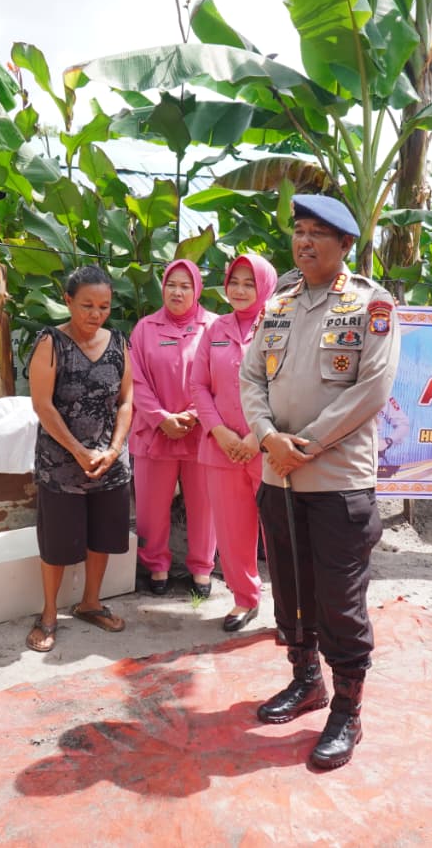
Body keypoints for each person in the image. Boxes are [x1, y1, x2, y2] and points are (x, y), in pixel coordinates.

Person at [240, 194, 400, 770]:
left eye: (317, 233)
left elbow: (372, 390)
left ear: (346, 245)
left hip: (336, 482)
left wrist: (301, 445)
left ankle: (348, 711)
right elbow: (250, 375)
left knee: (340, 600)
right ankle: (307, 682)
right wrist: (266, 436)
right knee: (290, 588)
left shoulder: (372, 306)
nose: (304, 242)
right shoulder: (277, 304)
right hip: (278, 478)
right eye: (298, 231)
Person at [27, 265, 134, 652]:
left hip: (109, 463)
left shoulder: (120, 342)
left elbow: (126, 401)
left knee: (102, 538)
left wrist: (115, 449)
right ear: (68, 301)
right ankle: (50, 613)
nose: (96, 314)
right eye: (87, 305)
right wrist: (78, 450)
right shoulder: (51, 344)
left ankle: (90, 603)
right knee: (56, 543)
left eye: (104, 306)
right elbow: (42, 405)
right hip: (61, 465)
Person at [190, 253, 278, 632]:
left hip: (271, 450)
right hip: (221, 449)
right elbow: (198, 385)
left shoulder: (279, 327)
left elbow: (287, 386)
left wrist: (256, 436)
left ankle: (294, 607)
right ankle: (245, 599)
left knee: (280, 533)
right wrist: (220, 432)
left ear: (266, 287)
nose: (240, 290)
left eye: (249, 283)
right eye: (234, 282)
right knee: (231, 531)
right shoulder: (215, 329)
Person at [129, 259, 217, 597]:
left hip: (201, 433)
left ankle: (202, 569)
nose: (177, 292)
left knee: (204, 505)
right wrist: (161, 418)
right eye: (171, 285)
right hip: (155, 432)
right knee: (151, 506)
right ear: (162, 287)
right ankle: (156, 566)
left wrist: (194, 415)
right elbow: (134, 379)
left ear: (196, 290)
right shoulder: (145, 328)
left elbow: (220, 377)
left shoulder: (214, 327)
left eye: (185, 285)